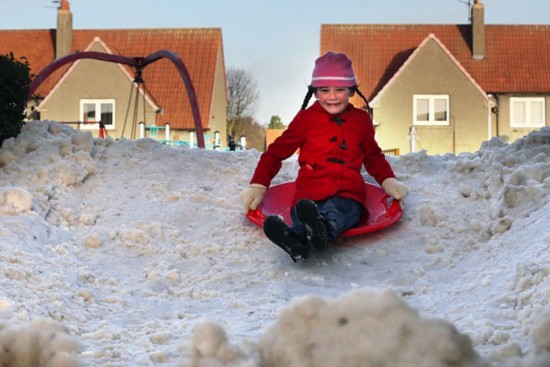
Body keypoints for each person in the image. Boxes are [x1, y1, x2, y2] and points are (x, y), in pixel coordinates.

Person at [240, 51, 408, 262]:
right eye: (324, 90)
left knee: (340, 210)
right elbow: (276, 152)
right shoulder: (306, 119)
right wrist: (258, 184)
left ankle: (316, 233)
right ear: (315, 92)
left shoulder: (361, 120)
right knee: (304, 213)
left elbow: (373, 156)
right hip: (309, 193)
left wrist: (388, 181)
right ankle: (300, 239)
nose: (332, 96)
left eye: (340, 90)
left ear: (351, 90)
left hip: (347, 193)